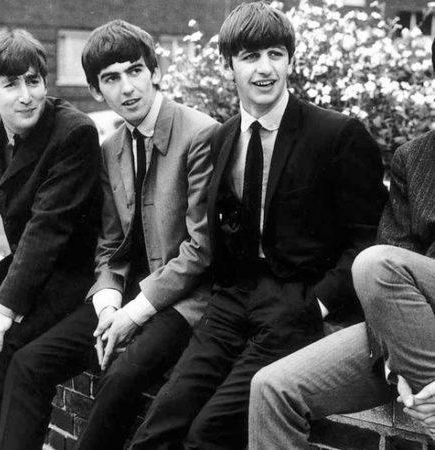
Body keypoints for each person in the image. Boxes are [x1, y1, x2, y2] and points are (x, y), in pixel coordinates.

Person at [129, 3, 388, 449]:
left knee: (208, 435)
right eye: (250, 56)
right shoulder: (220, 139)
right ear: (228, 65)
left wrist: (317, 305)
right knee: (159, 427)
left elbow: (369, 239)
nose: (265, 69)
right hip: (231, 304)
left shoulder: (337, 135)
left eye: (275, 54)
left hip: (296, 304)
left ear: (291, 60)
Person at [0, 19, 219, 450]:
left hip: (187, 300)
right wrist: (109, 301)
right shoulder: (111, 148)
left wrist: (133, 313)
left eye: (135, 71)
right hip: (125, 292)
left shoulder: (201, 133)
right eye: (111, 79)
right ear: (96, 90)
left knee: (120, 376)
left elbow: (200, 247)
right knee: (28, 363)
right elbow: (110, 243)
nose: (127, 88)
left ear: (155, 71)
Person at [248, 36, 435, 450]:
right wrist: (401, 368)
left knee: (376, 264)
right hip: (410, 328)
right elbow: (383, 293)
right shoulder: (414, 158)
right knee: (272, 389)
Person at [0, 29, 101, 450]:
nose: (26, 96)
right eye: (11, 84)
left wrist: (4, 308)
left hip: (71, 276)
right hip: (28, 266)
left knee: (2, 343)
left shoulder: (74, 132)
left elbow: (47, 230)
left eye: (33, 81)